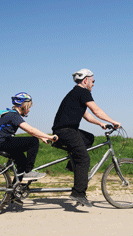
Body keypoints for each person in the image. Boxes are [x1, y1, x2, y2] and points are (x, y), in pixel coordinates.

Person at [52, 69, 121, 207]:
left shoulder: (75, 93)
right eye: (93, 81)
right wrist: (113, 121)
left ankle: (72, 164)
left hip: (66, 130)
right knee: (84, 159)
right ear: (86, 80)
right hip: (66, 132)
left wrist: (101, 123)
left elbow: (88, 115)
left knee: (88, 138)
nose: (93, 84)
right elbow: (96, 110)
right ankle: (78, 193)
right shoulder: (82, 92)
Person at [0, 92, 58, 183]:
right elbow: (30, 130)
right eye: (29, 107)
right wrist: (49, 137)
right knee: (33, 141)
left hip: (2, 143)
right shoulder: (13, 115)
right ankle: (28, 172)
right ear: (24, 105)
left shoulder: (12, 114)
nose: (29, 110)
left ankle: (14, 193)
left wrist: (42, 137)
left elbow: (29, 130)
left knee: (22, 166)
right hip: (3, 143)